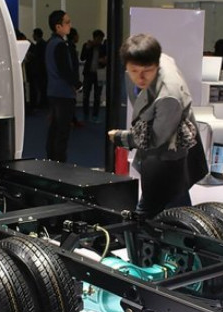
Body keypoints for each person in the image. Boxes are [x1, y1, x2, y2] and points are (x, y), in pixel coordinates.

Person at [108, 34, 208, 218]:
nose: (140, 77)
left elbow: (155, 138)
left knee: (149, 211)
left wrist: (121, 137)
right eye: (134, 70)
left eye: (147, 70)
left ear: (156, 64)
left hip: (169, 152)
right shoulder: (153, 60)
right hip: (163, 152)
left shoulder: (168, 95)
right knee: (176, 205)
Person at [44, 10, 78, 162]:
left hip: (53, 91)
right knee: (62, 132)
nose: (70, 25)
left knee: (54, 128)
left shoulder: (50, 43)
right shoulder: (60, 45)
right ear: (58, 27)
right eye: (67, 22)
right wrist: (77, 84)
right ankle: (59, 163)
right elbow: (65, 70)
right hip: (63, 93)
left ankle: (52, 160)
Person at [80, 29, 107, 123]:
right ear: (94, 38)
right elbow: (82, 58)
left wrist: (104, 60)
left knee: (97, 96)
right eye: (99, 39)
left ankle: (95, 115)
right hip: (88, 73)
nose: (100, 41)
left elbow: (107, 59)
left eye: (101, 39)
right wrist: (87, 48)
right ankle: (85, 114)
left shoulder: (104, 47)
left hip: (100, 73)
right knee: (86, 94)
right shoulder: (87, 45)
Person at [24, 28, 47, 110]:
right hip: (41, 70)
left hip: (39, 70)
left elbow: (38, 57)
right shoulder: (42, 44)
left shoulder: (40, 45)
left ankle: (41, 104)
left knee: (39, 88)